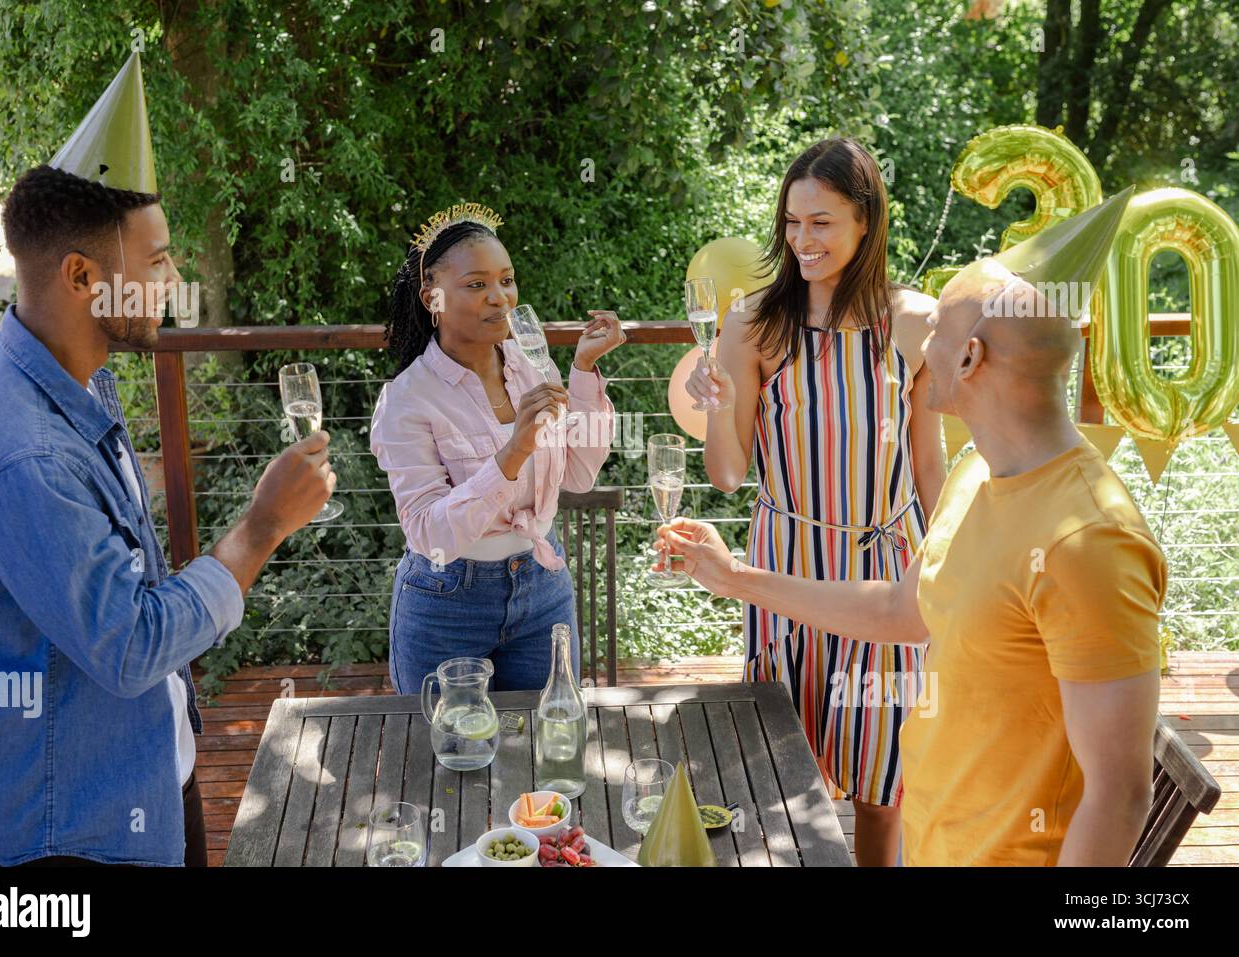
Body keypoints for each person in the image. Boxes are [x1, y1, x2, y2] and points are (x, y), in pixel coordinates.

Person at [657, 190, 1166, 866]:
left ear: (969, 358)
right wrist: (733, 576)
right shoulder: (973, 477)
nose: (916, 344)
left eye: (940, 330)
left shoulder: (1089, 540)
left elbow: (1122, 794)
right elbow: (903, 607)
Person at [0, 53, 335, 867]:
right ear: (83, 276)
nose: (175, 279)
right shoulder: (21, 454)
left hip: (140, 780)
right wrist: (262, 525)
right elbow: (128, 644)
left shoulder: (60, 372)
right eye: (157, 261)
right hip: (75, 836)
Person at [685, 138, 943, 865]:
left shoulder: (915, 324)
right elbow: (730, 473)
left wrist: (952, 570)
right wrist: (724, 402)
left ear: (865, 220)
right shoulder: (754, 323)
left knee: (881, 787)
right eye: (792, 223)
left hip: (888, 574)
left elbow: (928, 461)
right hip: (785, 571)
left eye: (821, 222)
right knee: (776, 773)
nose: (802, 240)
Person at [369, 203, 624, 693]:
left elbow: (577, 475)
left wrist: (585, 371)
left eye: (506, 280)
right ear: (432, 297)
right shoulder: (407, 399)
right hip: (446, 600)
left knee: (542, 745)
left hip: (543, 586)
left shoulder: (532, 366)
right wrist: (512, 452)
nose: (500, 299)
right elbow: (429, 533)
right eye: (477, 285)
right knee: (442, 752)